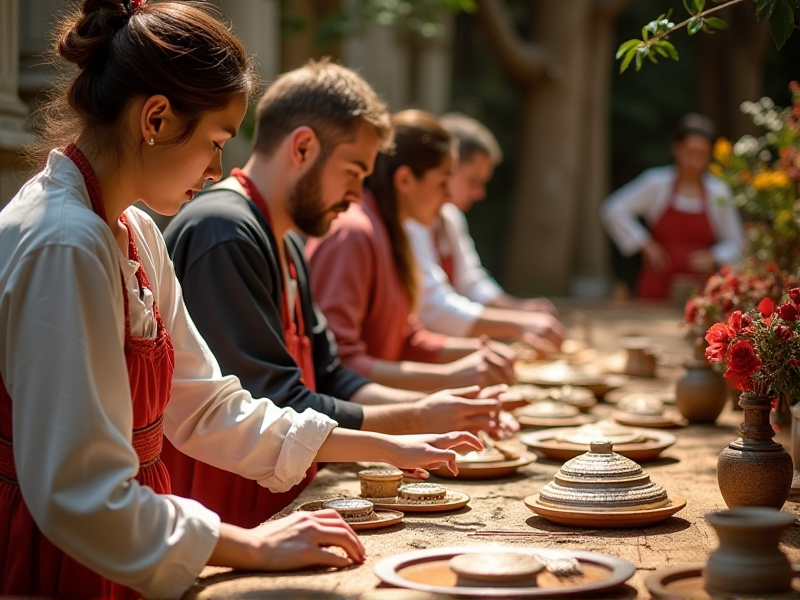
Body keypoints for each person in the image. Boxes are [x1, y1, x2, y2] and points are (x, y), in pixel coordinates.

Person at [0, 2, 481, 597]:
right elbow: (78, 495)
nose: (215, 169)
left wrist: (385, 442)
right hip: (65, 555)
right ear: (155, 119)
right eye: (215, 141)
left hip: (133, 533)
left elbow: (208, 405)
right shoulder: (65, 243)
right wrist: (250, 543)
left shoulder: (133, 230)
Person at [161, 61, 506, 528]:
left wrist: (431, 408)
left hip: (277, 504)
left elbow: (330, 376)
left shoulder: (286, 239)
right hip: (220, 517)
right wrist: (411, 419)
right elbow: (274, 401)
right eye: (352, 171)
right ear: (302, 147)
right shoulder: (223, 231)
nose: (356, 193)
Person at [305, 110, 517, 393]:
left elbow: (407, 339)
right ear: (404, 180)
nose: (447, 197)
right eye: (442, 183)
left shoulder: (392, 230)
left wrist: (482, 354)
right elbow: (339, 366)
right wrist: (451, 378)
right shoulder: (353, 234)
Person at [403, 112, 566, 350]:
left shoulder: (449, 217)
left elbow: (471, 282)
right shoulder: (410, 220)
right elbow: (433, 306)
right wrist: (519, 323)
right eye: (473, 180)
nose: (479, 193)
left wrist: (517, 309)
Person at [601, 113, 744, 300]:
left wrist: (714, 255)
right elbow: (613, 209)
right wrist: (644, 243)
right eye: (690, 152)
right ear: (676, 148)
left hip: (702, 293)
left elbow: (737, 243)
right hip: (657, 283)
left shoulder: (718, 191)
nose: (695, 161)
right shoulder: (656, 183)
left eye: (702, 155)